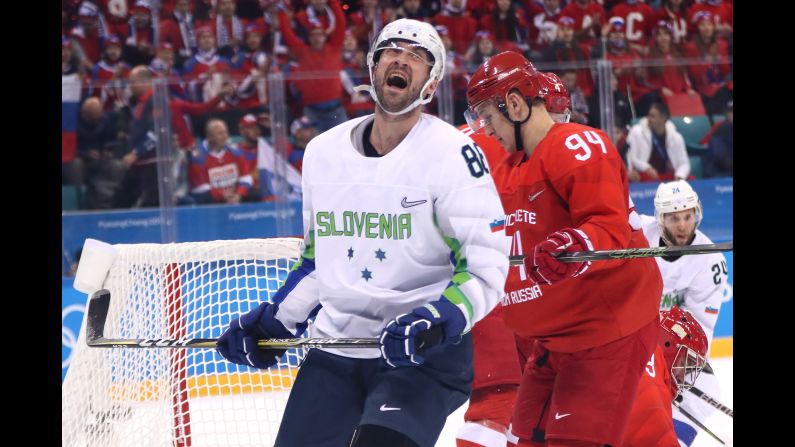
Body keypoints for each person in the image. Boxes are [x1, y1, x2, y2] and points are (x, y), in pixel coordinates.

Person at [216, 19, 510, 447]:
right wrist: (277, 321)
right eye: (391, 50)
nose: (401, 59)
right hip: (337, 348)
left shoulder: (454, 155)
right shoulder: (322, 153)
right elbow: (320, 261)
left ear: (430, 84)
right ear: (372, 66)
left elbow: (486, 265)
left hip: (420, 356)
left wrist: (438, 320)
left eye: (416, 56)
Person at [465, 50, 663, 447]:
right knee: (521, 441)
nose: (485, 128)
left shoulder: (577, 144)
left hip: (607, 332)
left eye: (488, 116)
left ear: (516, 104)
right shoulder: (507, 165)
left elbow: (607, 225)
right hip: (555, 342)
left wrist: (575, 243)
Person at [454, 71, 573, 447]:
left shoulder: (458, 138)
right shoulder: (536, 149)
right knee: (510, 403)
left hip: (454, 292)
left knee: (496, 404)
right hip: (503, 291)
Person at [639, 179, 728, 446]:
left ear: (696, 214)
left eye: (687, 216)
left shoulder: (712, 260)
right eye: (674, 217)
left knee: (708, 389)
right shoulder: (637, 233)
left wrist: (677, 368)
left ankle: (673, 439)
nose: (682, 225)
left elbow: (700, 328)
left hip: (671, 344)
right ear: (660, 217)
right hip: (629, 333)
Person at [621, 306, 709, 447]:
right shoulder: (653, 389)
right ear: (667, 344)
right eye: (684, 362)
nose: (682, 377)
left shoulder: (627, 343)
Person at [625, 101, 690, 182]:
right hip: (646, 174)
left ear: (663, 119)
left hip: (668, 175)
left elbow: (684, 163)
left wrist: (679, 176)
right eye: (649, 115)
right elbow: (632, 157)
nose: (648, 119)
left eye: (652, 116)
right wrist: (647, 168)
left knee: (690, 179)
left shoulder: (676, 137)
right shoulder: (636, 132)